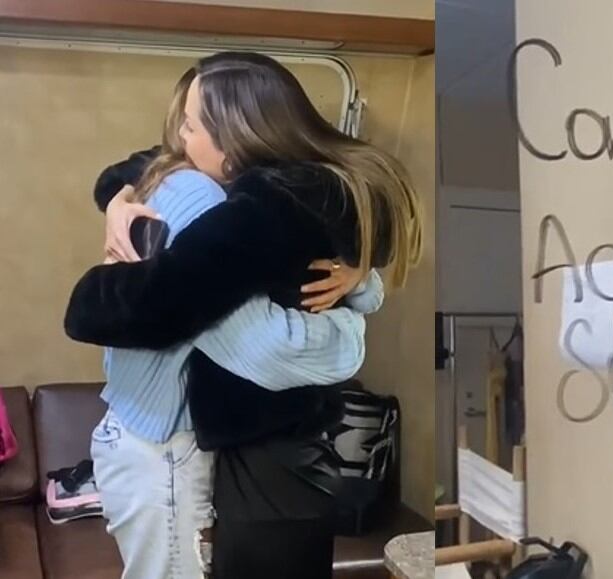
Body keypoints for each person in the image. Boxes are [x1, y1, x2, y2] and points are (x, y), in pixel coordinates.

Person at [65, 52, 423, 579]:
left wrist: (362, 277)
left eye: (190, 126)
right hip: (159, 450)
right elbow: (262, 345)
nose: (178, 138)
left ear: (233, 147)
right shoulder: (197, 193)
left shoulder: (223, 194)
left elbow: (131, 178)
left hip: (152, 442)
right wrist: (353, 329)